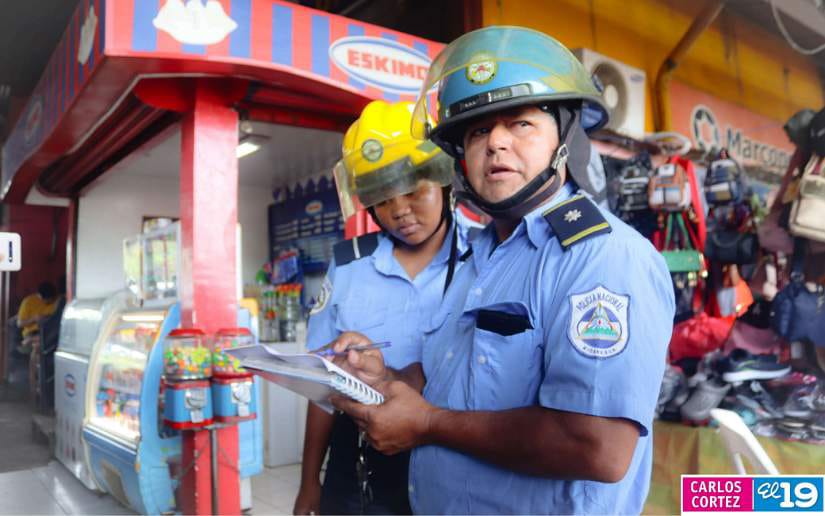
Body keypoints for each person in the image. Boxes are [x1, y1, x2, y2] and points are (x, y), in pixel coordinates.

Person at [329, 26, 675, 514]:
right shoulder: (483, 254)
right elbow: (448, 375)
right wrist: (384, 377)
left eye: (520, 124)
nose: (494, 143)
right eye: (476, 131)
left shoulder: (603, 258)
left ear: (565, 135)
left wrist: (427, 424)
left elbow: (597, 446)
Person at [293, 100, 478, 515]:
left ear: (445, 181)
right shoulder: (348, 266)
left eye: (414, 191)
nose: (399, 211)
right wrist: (310, 481)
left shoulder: (487, 257)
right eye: (382, 198)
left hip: (449, 456)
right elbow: (325, 386)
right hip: (357, 464)